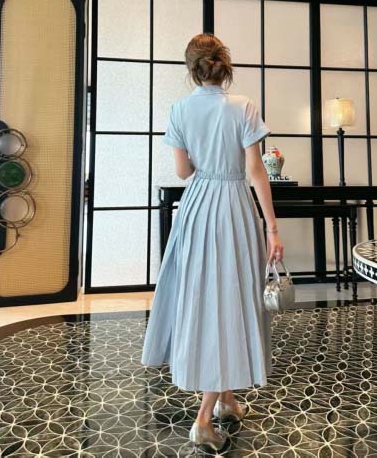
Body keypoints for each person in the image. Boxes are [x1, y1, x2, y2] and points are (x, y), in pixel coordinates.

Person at [141, 33, 284, 452]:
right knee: (231, 302)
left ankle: (227, 401)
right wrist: (272, 228)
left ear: (192, 69)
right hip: (234, 207)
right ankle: (204, 419)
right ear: (225, 66)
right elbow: (256, 171)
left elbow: (183, 172)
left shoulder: (179, 109)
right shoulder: (243, 106)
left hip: (198, 207)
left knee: (207, 301)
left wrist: (203, 158)